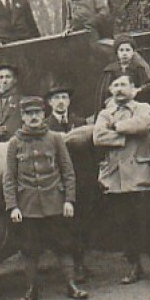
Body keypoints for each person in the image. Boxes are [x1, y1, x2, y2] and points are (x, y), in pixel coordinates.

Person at [3, 96, 87, 300]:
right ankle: (32, 289)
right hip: (28, 205)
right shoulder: (15, 142)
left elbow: (68, 171)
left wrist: (69, 199)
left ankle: (71, 285)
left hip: (54, 202)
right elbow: (9, 177)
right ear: (22, 117)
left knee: (64, 245)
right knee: (30, 249)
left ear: (43, 115)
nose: (33, 118)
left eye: (37, 114)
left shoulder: (55, 138)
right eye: (29, 114)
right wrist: (12, 206)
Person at [93, 73, 150, 285]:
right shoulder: (104, 113)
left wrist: (117, 127)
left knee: (149, 222)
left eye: (123, 85)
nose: (119, 89)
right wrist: (126, 136)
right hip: (115, 178)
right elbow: (98, 136)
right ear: (110, 90)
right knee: (125, 224)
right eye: (115, 85)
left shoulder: (143, 107)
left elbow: (145, 124)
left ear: (133, 88)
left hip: (140, 173)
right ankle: (134, 266)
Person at [44, 85, 92, 283]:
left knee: (82, 223)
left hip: (81, 180)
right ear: (50, 103)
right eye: (56, 98)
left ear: (69, 101)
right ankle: (71, 266)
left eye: (64, 97)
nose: (61, 101)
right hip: (57, 181)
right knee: (64, 225)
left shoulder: (79, 122)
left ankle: (80, 262)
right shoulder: (45, 126)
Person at [96, 34, 150, 111]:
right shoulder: (110, 70)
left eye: (128, 50)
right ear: (117, 52)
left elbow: (146, 86)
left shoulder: (138, 68)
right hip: (114, 105)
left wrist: (138, 90)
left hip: (135, 104)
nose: (124, 53)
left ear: (133, 52)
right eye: (121, 50)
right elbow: (104, 93)